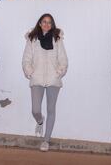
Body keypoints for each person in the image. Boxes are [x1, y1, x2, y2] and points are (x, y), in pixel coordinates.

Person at [22, 14, 68, 152]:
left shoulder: (57, 39)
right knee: (35, 110)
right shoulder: (32, 39)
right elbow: (26, 60)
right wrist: (30, 73)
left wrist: (58, 73)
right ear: (40, 24)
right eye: (44, 22)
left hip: (53, 81)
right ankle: (40, 121)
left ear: (52, 24)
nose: (47, 24)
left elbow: (63, 60)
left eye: (49, 22)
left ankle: (46, 141)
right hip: (37, 79)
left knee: (51, 110)